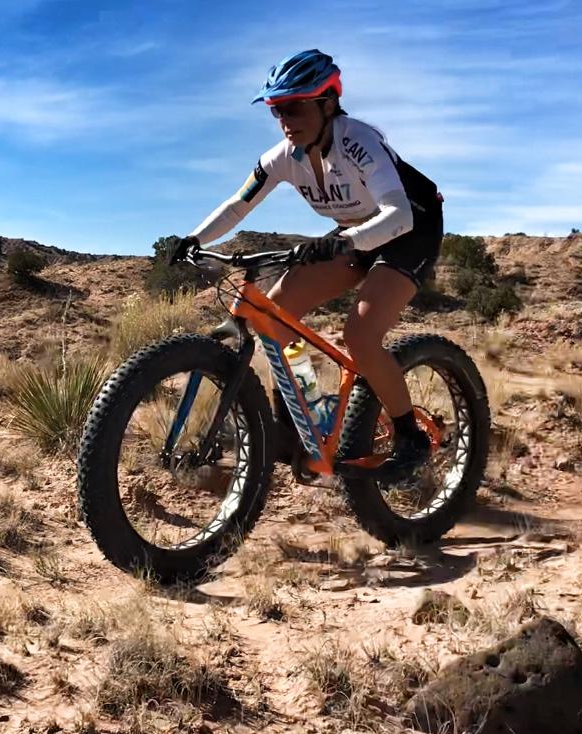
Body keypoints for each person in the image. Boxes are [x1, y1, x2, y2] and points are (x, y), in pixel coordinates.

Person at [171, 49, 444, 482]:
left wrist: (343, 243)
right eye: (277, 109)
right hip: (356, 232)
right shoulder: (281, 156)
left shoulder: (358, 141)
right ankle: (305, 420)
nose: (285, 119)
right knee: (272, 319)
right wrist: (194, 238)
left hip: (410, 227)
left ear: (328, 103)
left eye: (296, 106)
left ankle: (410, 437)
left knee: (360, 334)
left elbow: (398, 215)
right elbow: (238, 205)